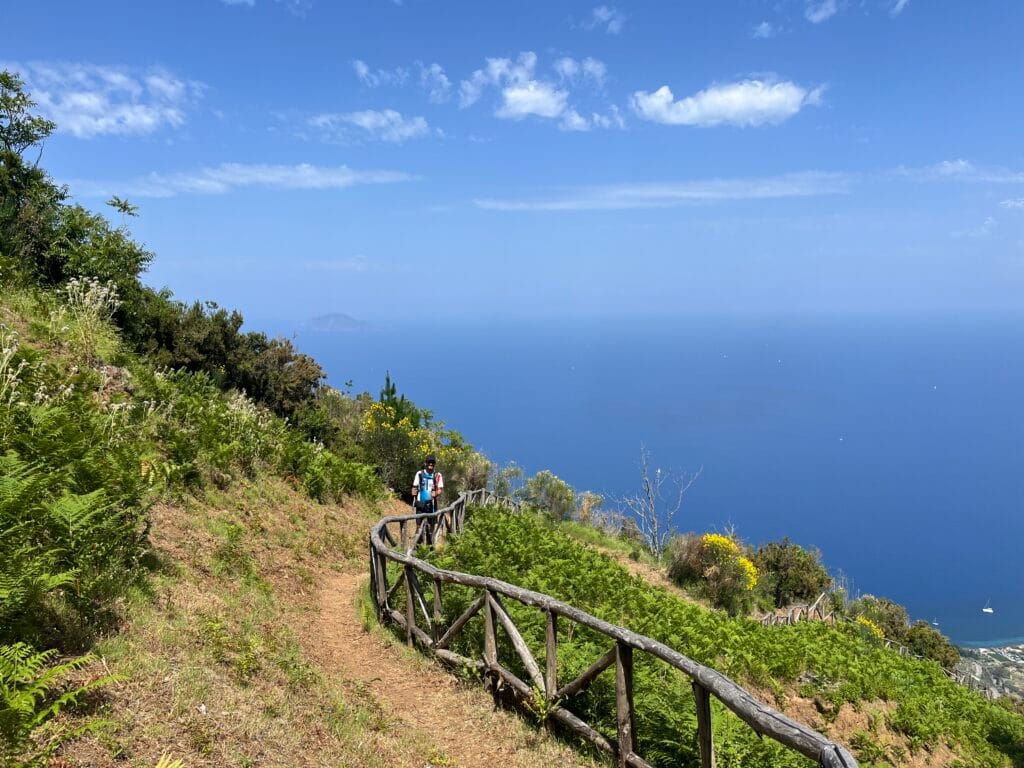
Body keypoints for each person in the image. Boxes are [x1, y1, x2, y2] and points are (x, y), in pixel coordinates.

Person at [411, 455, 443, 537]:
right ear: (426, 463)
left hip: (432, 504)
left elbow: (440, 489)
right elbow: (414, 487)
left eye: (432, 462)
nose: (431, 464)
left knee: (431, 526)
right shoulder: (419, 474)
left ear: (435, 464)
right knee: (418, 526)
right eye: (429, 462)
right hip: (420, 503)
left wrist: (435, 493)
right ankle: (417, 545)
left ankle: (430, 547)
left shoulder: (438, 475)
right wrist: (413, 492)